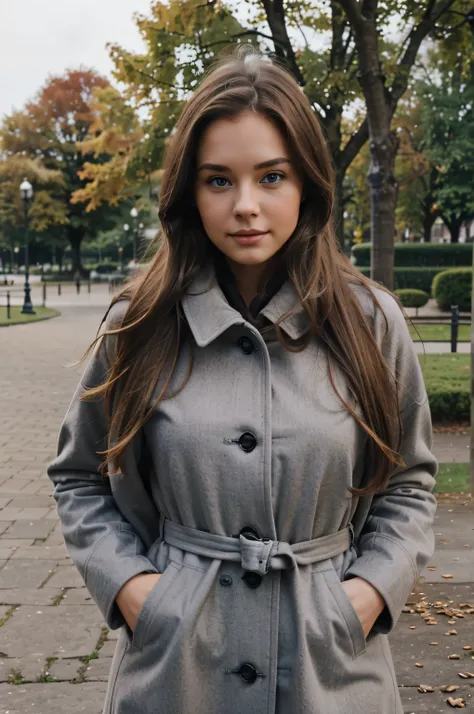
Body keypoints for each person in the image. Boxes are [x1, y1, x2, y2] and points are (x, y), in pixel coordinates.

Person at [47, 46, 438, 714]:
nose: (247, 205)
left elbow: (408, 483)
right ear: (189, 191)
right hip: (179, 666)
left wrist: (366, 595)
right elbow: (79, 476)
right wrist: (139, 591)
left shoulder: (370, 324)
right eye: (219, 180)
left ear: (307, 183)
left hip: (331, 668)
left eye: (272, 176)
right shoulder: (139, 323)